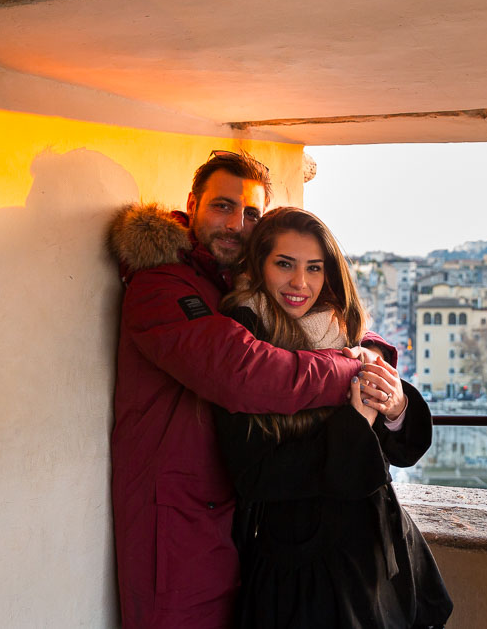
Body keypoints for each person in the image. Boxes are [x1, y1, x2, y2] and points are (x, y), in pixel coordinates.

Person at [108, 151, 403, 629]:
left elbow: (297, 325)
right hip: (177, 515)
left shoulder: (228, 285)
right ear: (191, 204)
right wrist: (350, 369)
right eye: (222, 207)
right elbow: (241, 369)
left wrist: (368, 351)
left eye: (250, 214)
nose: (236, 225)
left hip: (235, 511)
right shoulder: (161, 286)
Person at [213, 207, 453, 629]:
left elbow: (404, 451)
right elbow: (255, 473)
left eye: (314, 268)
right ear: (259, 266)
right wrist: (354, 426)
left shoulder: (343, 332)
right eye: (284, 264)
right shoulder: (244, 344)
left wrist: (396, 407)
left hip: (376, 554)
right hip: (302, 568)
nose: (299, 283)